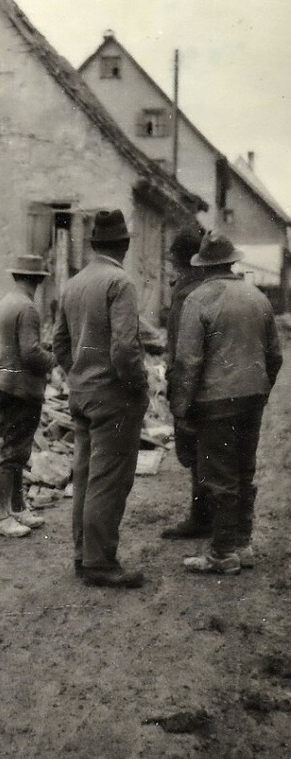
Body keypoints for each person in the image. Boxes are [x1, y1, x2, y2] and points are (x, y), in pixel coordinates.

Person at [169, 230, 283, 574]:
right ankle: (242, 543)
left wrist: (181, 408)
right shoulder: (257, 298)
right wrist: (261, 389)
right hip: (253, 397)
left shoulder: (199, 299)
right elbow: (274, 355)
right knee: (244, 471)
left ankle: (222, 552)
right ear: (232, 262)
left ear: (203, 265)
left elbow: (188, 362)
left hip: (216, 401)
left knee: (219, 476)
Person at [53, 209, 149, 588]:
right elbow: (126, 349)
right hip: (113, 398)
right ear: (124, 245)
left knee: (86, 477)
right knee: (108, 480)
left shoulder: (73, 283)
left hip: (82, 396)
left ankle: (83, 555)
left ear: (95, 245)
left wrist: (79, 373)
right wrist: (138, 386)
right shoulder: (119, 282)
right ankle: (99, 562)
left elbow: (59, 342)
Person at [0, 254, 53, 537]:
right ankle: (1, 515)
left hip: (4, 387)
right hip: (23, 390)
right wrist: (53, 360)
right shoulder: (29, 308)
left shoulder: (2, 305)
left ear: (16, 276)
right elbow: (32, 353)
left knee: (17, 449)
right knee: (12, 453)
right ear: (37, 280)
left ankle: (18, 507)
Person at [162, 228, 210, 540]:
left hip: (190, 381)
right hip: (217, 383)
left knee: (193, 453)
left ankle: (201, 518)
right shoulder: (213, 287)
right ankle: (215, 517)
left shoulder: (184, 294)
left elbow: (181, 350)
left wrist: (176, 392)